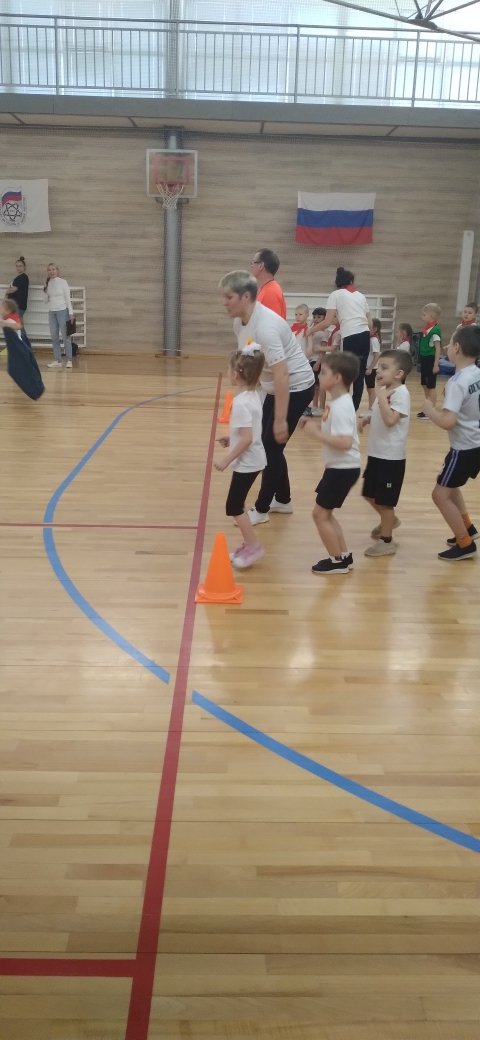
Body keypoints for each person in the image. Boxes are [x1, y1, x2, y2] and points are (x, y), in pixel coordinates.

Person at [220, 270, 314, 524]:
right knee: (271, 445)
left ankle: (261, 509)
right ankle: (282, 499)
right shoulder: (239, 323)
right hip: (272, 387)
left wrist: (280, 420)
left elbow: (282, 375)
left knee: (270, 448)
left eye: (229, 297)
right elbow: (252, 366)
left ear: (245, 296)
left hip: (296, 387)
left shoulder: (266, 328)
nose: (224, 302)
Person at [423, 324, 480, 561]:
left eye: (449, 343)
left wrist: (429, 410)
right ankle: (468, 528)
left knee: (440, 495)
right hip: (474, 444)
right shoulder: (476, 373)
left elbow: (448, 421)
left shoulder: (458, 382)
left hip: (463, 448)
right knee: (450, 485)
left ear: (456, 348)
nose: (446, 346)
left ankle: (465, 544)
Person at [300, 351, 360, 575]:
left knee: (319, 515)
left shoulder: (342, 406)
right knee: (326, 513)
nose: (319, 375)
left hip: (342, 469)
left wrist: (315, 433)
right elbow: (335, 433)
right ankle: (343, 556)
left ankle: (337, 562)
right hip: (339, 468)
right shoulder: (336, 403)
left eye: (323, 372)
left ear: (337, 378)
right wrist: (314, 426)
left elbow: (344, 442)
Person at [214, 346, 267, 569]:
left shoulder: (242, 402)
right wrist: (231, 438)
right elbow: (247, 433)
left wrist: (226, 460)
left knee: (234, 506)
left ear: (236, 374)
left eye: (229, 369)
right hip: (254, 459)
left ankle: (254, 546)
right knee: (236, 504)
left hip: (248, 462)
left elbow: (246, 438)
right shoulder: (253, 396)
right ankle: (249, 544)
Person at [359, 349, 413, 557]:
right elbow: (380, 414)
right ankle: (390, 520)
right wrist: (368, 418)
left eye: (384, 367)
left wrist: (381, 398)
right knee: (369, 493)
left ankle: (387, 541)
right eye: (378, 367)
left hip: (391, 457)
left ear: (398, 374)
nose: (378, 371)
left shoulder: (401, 394)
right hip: (376, 453)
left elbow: (391, 420)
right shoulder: (385, 391)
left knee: (385, 501)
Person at [314, 267, 372, 411]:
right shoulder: (361, 296)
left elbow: (327, 321)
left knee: (346, 373)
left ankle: (343, 407)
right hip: (364, 336)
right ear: (351, 281)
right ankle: (353, 408)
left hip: (350, 337)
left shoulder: (336, 294)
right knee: (359, 375)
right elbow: (370, 323)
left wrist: (310, 330)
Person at [1, 299, 45, 401]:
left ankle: (36, 390)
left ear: (7, 309)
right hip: (19, 349)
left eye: (2, 306)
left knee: (17, 370)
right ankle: (36, 390)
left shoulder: (10, 320)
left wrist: (5, 324)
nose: (0, 307)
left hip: (20, 349)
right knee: (16, 370)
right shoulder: (8, 318)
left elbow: (18, 326)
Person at [44, 263, 74, 370]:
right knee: (54, 337)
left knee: (66, 337)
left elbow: (68, 299)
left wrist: (71, 313)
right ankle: (57, 361)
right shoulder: (47, 283)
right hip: (52, 313)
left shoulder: (63, 282)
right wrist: (45, 291)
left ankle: (69, 360)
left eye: (53, 269)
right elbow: (45, 301)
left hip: (62, 311)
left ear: (57, 270)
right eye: (49, 270)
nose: (51, 271)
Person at [417, 303, 442, 420]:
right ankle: (427, 407)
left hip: (431, 360)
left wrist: (436, 364)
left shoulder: (435, 331)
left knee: (431, 386)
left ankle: (431, 411)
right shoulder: (427, 328)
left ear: (431, 316)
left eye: (424, 314)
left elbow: (438, 348)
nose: (422, 316)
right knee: (424, 384)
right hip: (424, 359)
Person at [249, 249, 286, 318]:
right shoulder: (265, 289)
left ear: (261, 266)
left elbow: (272, 323)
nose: (251, 265)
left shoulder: (270, 292)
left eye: (253, 262)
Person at [364, 317, 382, 410]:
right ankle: (372, 408)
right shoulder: (370, 339)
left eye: (368, 327)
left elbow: (377, 355)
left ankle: (372, 408)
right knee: (369, 388)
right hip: (368, 367)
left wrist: (370, 368)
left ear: (375, 329)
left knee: (371, 388)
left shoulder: (374, 340)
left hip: (371, 368)